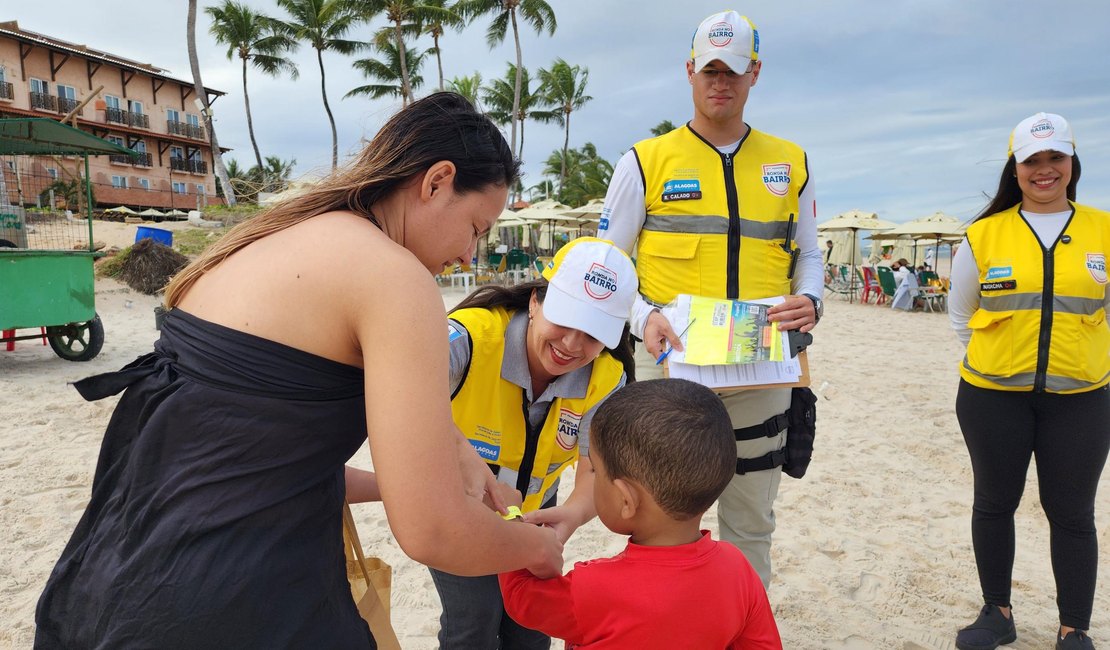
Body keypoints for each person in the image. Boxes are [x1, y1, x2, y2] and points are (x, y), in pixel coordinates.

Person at [34, 92, 564, 649]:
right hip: (233, 598)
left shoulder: (264, 240)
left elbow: (249, 453)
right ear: (436, 181)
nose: (468, 256)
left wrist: (451, 458)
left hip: (115, 574)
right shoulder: (395, 280)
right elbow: (432, 532)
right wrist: (537, 549)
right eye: (477, 228)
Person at [597, 9, 823, 587]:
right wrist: (644, 317)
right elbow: (605, 266)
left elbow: (809, 255)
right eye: (711, 70)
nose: (721, 82)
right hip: (671, 373)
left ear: (755, 74)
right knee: (660, 521)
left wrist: (812, 302)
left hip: (762, 370)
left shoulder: (791, 161)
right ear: (691, 70)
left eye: (735, 71)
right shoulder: (644, 161)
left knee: (750, 522)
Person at [349, 237, 638, 649]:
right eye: (566, 321)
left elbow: (595, 470)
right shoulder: (468, 340)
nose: (572, 345)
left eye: (593, 334)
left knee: (534, 625)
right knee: (474, 622)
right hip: (455, 513)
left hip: (536, 519)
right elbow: (386, 384)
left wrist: (570, 516)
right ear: (536, 301)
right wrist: (456, 462)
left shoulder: (606, 378)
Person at [949, 112, 1110, 650]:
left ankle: (1073, 628)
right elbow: (959, 315)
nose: (1045, 170)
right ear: (1014, 170)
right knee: (994, 502)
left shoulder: (1103, 230)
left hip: (1082, 400)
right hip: (993, 398)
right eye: (1032, 161)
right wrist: (995, 364)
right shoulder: (982, 235)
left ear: (1072, 163)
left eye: (1055, 158)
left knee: (1072, 513)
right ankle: (997, 613)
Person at [498, 378, 782, 648]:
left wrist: (511, 519)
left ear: (626, 500)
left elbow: (521, 597)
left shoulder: (593, 589)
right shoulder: (738, 569)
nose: (591, 480)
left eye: (595, 470)